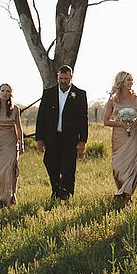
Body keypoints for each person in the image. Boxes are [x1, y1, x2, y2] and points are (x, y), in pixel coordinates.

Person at [36, 65, 88, 200]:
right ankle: (56, 189)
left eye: (66, 78)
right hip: (52, 138)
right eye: (61, 78)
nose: (63, 81)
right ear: (57, 77)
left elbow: (83, 119)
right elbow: (41, 117)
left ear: (71, 77)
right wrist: (39, 139)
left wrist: (83, 140)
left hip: (70, 139)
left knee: (68, 168)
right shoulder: (49, 93)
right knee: (50, 164)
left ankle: (66, 194)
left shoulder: (80, 94)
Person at [103, 71, 137, 203]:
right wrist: (120, 124)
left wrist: (135, 120)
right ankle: (122, 190)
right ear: (121, 82)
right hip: (119, 136)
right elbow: (106, 121)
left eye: (131, 80)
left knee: (133, 165)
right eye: (128, 80)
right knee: (118, 166)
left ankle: (125, 194)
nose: (131, 82)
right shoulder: (113, 100)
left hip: (133, 134)